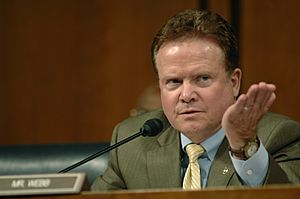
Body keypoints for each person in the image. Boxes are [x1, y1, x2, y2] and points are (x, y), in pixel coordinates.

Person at [91, 9, 300, 190]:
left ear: (234, 82)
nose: (186, 95)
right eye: (173, 81)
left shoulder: (279, 136)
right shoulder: (132, 142)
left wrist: (244, 147)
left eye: (202, 78)